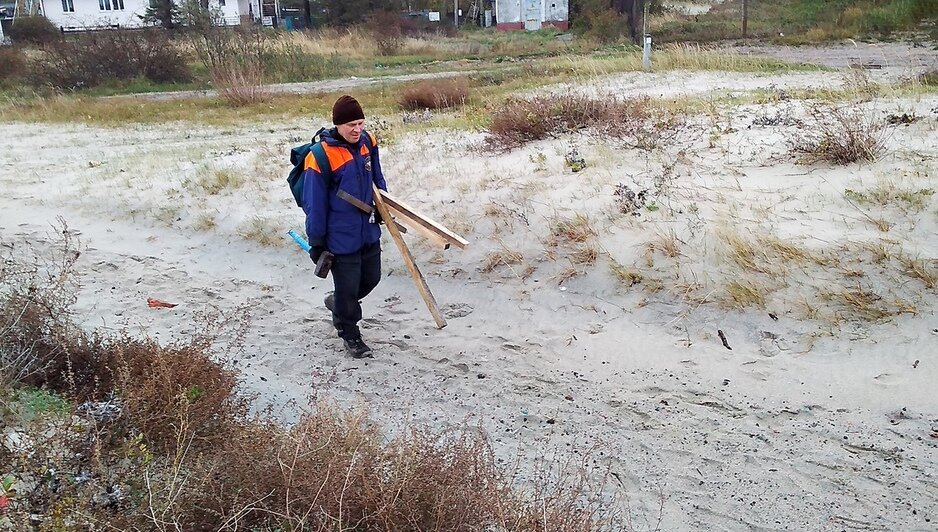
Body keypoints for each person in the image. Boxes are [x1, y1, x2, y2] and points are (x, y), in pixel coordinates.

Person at [302, 95, 386, 358]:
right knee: (348, 291)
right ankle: (350, 334)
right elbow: (314, 204)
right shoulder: (320, 157)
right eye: (351, 124)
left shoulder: (368, 142)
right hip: (340, 236)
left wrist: (383, 207)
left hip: (368, 230)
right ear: (337, 124)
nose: (357, 129)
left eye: (360, 123)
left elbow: (377, 177)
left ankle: (337, 302)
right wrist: (317, 241)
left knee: (372, 278)